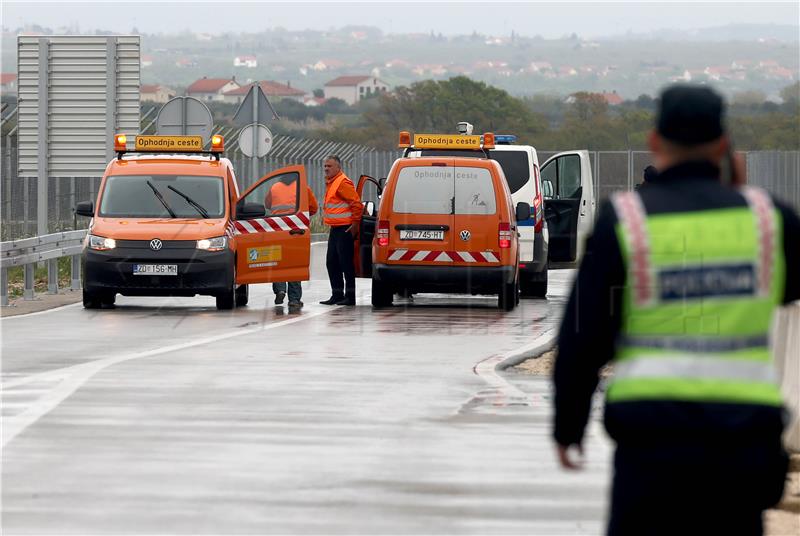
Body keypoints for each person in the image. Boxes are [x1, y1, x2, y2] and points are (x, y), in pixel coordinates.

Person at [552, 84, 800, 536]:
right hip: (743, 439)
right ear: (725, 146)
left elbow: (583, 337)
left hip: (652, 441)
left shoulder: (625, 220)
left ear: (654, 141)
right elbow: (789, 294)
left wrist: (568, 426)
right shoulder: (769, 219)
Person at [264, 175, 318, 308]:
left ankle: (280, 289)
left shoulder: (274, 187)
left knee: (278, 260)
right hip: (295, 230)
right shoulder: (303, 188)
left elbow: (267, 204)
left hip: (277, 229)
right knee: (293, 263)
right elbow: (314, 207)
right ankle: (294, 299)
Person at [319, 155, 363, 306]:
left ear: (338, 168)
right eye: (325, 166)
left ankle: (350, 297)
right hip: (336, 228)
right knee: (332, 263)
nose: (326, 169)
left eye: (329, 166)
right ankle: (337, 295)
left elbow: (356, 204)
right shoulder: (332, 183)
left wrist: (355, 224)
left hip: (345, 229)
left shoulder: (342, 182)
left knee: (346, 264)